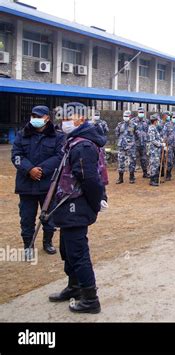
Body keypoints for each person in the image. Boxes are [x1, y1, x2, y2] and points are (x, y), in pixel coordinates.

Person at [47, 102, 105, 314]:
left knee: (78, 252)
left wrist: (94, 204)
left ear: (80, 119)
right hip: (66, 204)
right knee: (67, 250)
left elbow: (91, 181)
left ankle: (90, 299)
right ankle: (74, 287)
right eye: (62, 119)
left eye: (67, 118)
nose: (64, 123)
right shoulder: (72, 141)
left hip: (76, 206)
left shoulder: (83, 146)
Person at [11, 106, 64, 258]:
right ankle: (28, 245)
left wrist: (40, 170)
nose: (35, 118)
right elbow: (16, 156)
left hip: (48, 184)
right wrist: (29, 169)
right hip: (26, 184)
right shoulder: (22, 135)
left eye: (39, 116)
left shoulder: (58, 136)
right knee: (26, 218)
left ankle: (47, 242)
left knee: (48, 217)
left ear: (47, 118)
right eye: (33, 115)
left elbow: (59, 157)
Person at [115, 110, 138, 184]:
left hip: (131, 146)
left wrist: (132, 142)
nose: (125, 117)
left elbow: (137, 135)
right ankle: (120, 178)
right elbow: (117, 134)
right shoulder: (120, 124)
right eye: (124, 116)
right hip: (122, 145)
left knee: (132, 161)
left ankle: (131, 177)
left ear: (130, 116)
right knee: (121, 161)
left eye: (127, 116)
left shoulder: (134, 125)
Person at [132, 107, 150, 178]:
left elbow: (149, 131)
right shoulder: (133, 121)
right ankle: (132, 175)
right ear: (137, 112)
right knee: (133, 159)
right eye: (140, 112)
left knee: (144, 159)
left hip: (144, 143)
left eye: (142, 112)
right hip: (135, 143)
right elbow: (130, 131)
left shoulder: (147, 121)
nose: (141, 113)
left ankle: (145, 173)